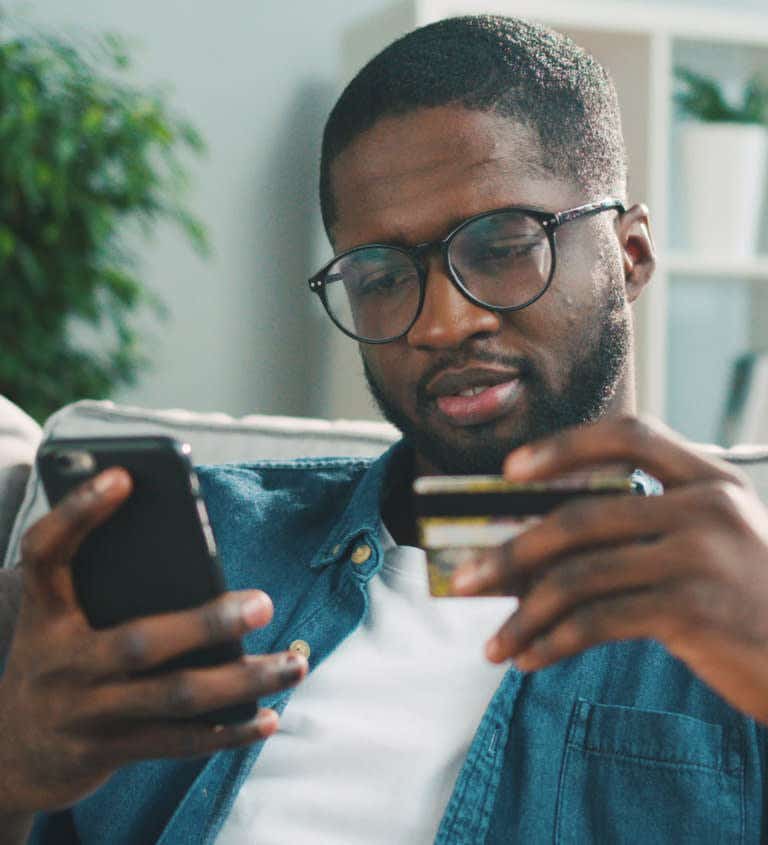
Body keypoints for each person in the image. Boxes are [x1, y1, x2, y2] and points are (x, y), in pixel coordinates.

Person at [2, 14, 768, 843]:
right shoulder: (214, 545)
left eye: (504, 244)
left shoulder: (733, 597)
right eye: (379, 274)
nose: (441, 322)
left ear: (631, 255)